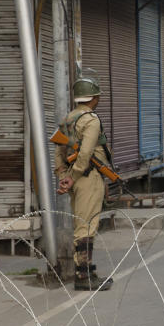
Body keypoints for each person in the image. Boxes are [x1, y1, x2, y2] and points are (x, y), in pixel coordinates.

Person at [54, 75, 114, 291]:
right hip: (88, 178)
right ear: (94, 98)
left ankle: (86, 271)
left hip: (75, 178)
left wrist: (64, 177)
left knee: (83, 223)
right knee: (86, 226)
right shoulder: (91, 120)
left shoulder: (68, 119)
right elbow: (87, 152)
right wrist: (74, 175)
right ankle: (83, 276)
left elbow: (58, 151)